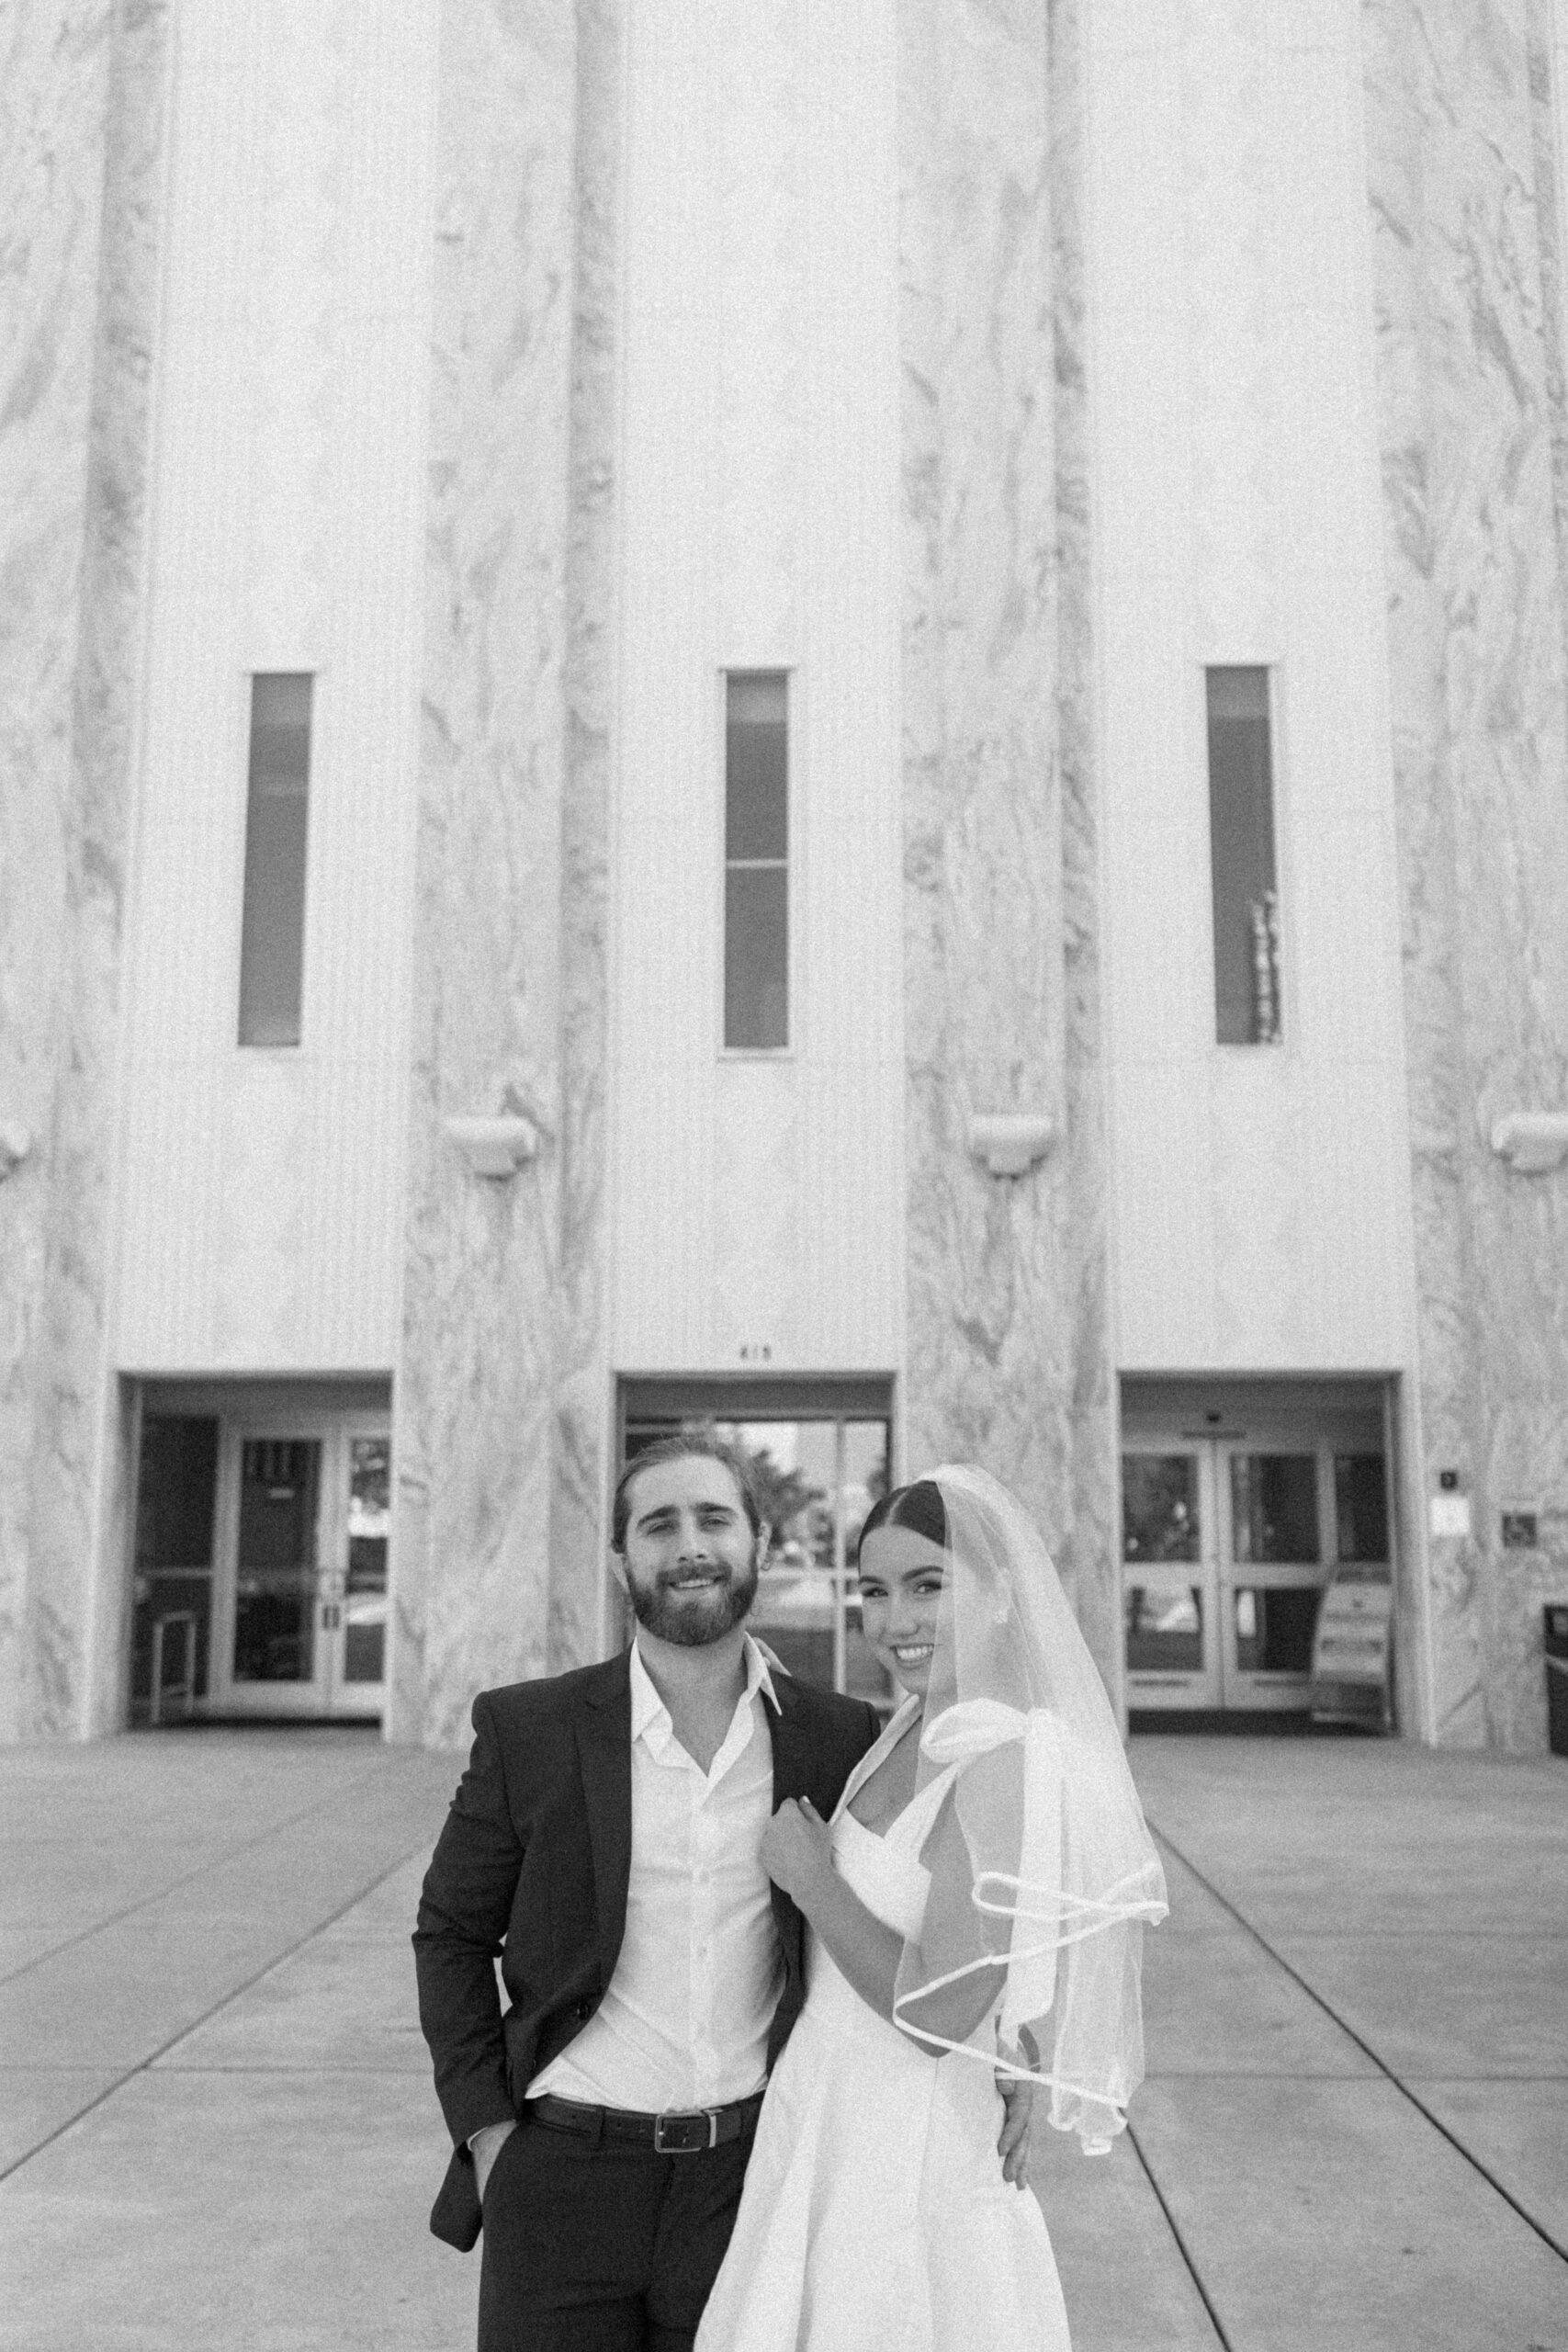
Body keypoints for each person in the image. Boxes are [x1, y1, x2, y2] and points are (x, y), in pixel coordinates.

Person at [412, 1434, 1034, 2351]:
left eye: (714, 1518)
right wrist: (489, 2136)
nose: (690, 1543)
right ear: (621, 1556)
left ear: (762, 1545)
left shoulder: (838, 1737)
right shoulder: (530, 1730)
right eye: (659, 1524)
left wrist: (1009, 2036)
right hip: (561, 2180)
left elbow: (933, 1892)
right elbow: (450, 1933)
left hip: (748, 2183)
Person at [695, 1467, 1170, 2352]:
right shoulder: (909, 1724)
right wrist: (1014, 2040)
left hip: (910, 2147)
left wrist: (813, 1881)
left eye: (928, 1586)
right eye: (874, 1592)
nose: (896, 1620)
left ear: (998, 1596)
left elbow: (938, 2012)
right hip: (829, 2113)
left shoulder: (1004, 1756)